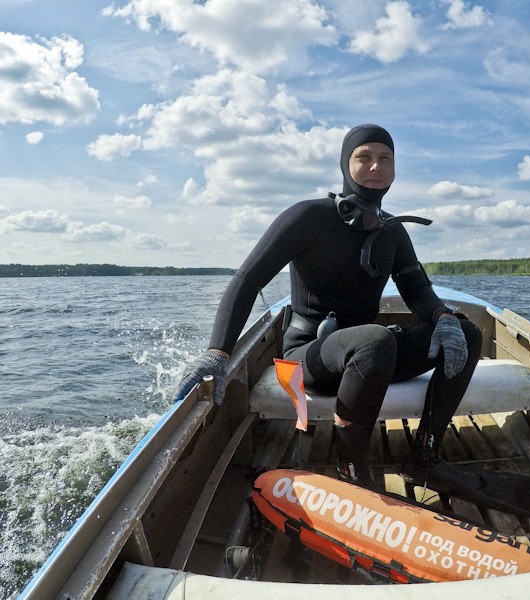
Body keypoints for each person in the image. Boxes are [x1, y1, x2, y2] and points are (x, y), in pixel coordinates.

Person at [175, 124, 483, 489]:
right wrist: (219, 351)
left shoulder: (393, 232)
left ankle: (424, 457)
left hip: (367, 357)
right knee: (375, 340)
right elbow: (247, 280)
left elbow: (416, 289)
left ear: (395, 169)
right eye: (363, 157)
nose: (375, 167)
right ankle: (351, 471)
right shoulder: (308, 217)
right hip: (307, 357)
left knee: (466, 333)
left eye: (385, 158)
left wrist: (443, 316)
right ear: (344, 163)